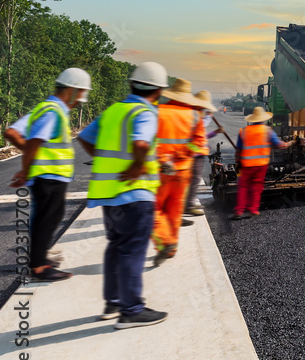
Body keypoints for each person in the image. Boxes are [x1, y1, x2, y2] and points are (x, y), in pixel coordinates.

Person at [78, 61, 169, 329]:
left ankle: (113, 302)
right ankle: (131, 310)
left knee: (116, 247)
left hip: (109, 194)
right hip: (134, 194)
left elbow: (84, 137)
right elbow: (141, 143)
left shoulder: (114, 111)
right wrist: (135, 166)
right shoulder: (145, 112)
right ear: (158, 91)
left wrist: (103, 160)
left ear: (132, 84)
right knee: (132, 251)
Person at [6, 68, 91, 282]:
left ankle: (39, 257)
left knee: (48, 217)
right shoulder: (54, 112)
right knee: (47, 219)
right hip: (49, 176)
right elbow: (35, 141)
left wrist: (32, 160)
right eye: (79, 95)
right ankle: (39, 267)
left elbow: (12, 133)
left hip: (47, 176)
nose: (78, 101)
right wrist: (27, 168)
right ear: (71, 90)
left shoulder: (44, 108)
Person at [151, 79, 207, 266]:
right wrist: (180, 154)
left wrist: (165, 158)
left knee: (152, 209)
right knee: (174, 210)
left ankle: (164, 242)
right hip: (183, 171)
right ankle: (172, 247)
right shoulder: (194, 116)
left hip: (160, 171)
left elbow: (148, 141)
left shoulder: (157, 111)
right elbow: (197, 143)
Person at [232, 106, 289, 219]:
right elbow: (279, 144)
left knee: (243, 187)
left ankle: (239, 210)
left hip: (246, 165)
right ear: (263, 119)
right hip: (261, 165)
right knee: (256, 187)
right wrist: (289, 144)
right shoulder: (267, 131)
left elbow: (238, 150)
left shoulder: (243, 131)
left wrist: (237, 162)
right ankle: (253, 209)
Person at [184, 90, 224, 219]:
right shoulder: (195, 116)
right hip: (194, 153)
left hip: (195, 152)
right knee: (193, 179)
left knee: (191, 179)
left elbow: (203, 135)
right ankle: (188, 205)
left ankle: (186, 203)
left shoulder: (197, 115)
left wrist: (215, 132)